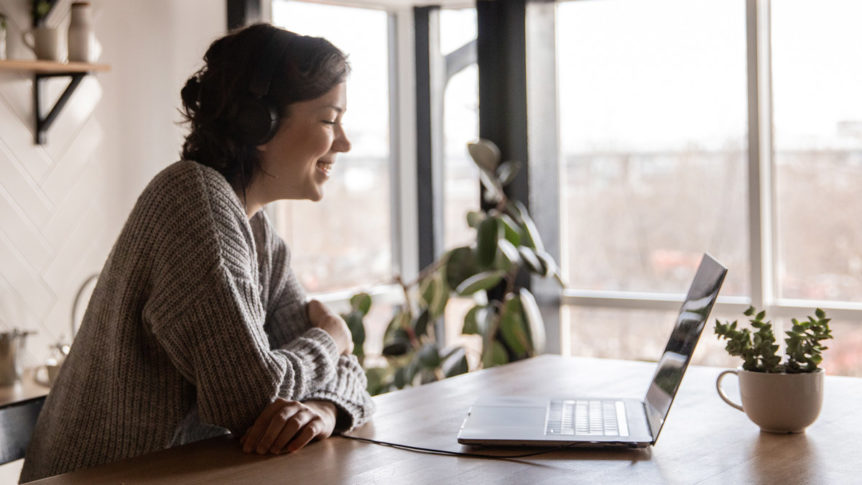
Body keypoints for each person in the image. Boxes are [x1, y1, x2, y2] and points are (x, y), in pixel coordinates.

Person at [20, 23, 373, 482]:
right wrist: (332, 339)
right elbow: (252, 399)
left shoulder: (260, 234)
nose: (344, 142)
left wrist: (324, 408)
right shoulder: (193, 202)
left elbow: (348, 379)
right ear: (257, 122)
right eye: (329, 120)